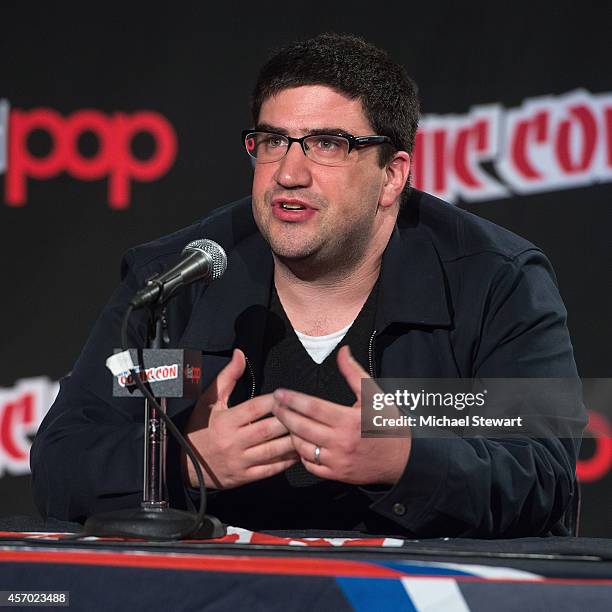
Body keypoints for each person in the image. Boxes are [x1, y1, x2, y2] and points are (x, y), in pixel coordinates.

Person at [31, 33, 584, 537]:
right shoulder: (176, 279)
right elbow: (61, 462)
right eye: (273, 141)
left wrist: (403, 462)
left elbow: (544, 474)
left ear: (392, 175)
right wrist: (186, 464)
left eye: (326, 144)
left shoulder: (493, 279)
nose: (289, 173)